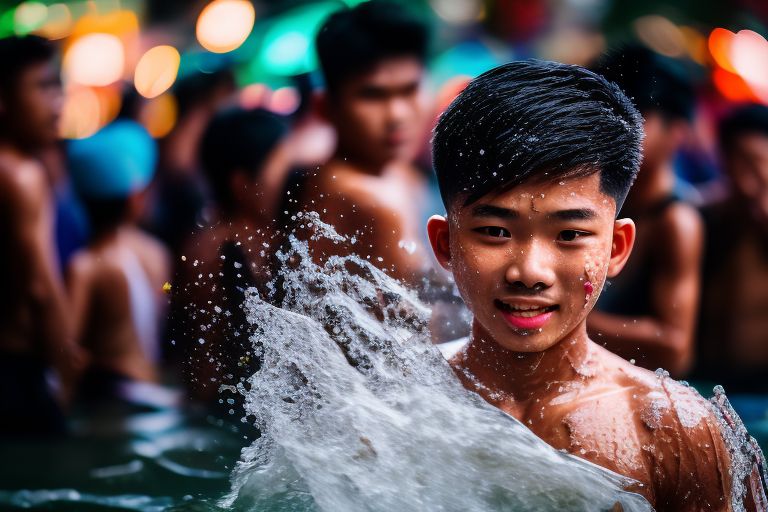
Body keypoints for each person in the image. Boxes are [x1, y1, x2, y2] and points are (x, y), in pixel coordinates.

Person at [428, 60, 766, 510]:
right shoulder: (393, 402)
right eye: (495, 231)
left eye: (569, 235)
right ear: (445, 242)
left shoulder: (673, 431)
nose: (530, 271)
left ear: (617, 247)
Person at [294, 1, 434, 286]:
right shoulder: (367, 200)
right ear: (325, 107)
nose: (397, 114)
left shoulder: (400, 174)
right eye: (373, 95)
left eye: (410, 90)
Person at [586, 45, 703, 378]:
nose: (618, 128)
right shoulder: (599, 198)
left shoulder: (676, 222)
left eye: (637, 117)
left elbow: (676, 348)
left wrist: (568, 315)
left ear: (676, 132)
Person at [171, 107, 290, 409]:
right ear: (242, 183)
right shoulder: (209, 253)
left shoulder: (276, 238)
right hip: (227, 417)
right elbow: (202, 367)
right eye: (280, 170)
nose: (289, 181)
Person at [0, 35, 81, 435]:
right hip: (16, 372)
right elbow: (40, 288)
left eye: (58, 87)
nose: (57, 103)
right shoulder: (21, 174)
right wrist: (65, 370)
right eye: (42, 86)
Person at [66, 120, 170, 405]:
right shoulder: (157, 253)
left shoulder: (86, 266)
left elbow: (68, 353)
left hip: (114, 400)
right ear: (137, 198)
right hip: (156, 392)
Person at [695, 104, 768, 394]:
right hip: (710, 380)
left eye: (754, 162)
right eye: (733, 162)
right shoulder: (707, 213)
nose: (743, 178)